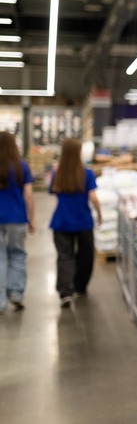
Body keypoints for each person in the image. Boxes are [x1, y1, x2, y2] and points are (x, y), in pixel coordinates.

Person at [49, 138, 102, 308]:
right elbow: (93, 197)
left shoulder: (57, 174)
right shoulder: (86, 173)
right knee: (85, 255)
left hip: (62, 221)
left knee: (65, 257)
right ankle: (79, 286)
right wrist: (100, 214)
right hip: (83, 221)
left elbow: (54, 192)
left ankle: (65, 291)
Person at [0, 132, 35, 313]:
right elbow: (28, 194)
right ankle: (16, 293)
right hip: (17, 217)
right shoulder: (22, 167)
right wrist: (31, 218)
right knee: (17, 254)